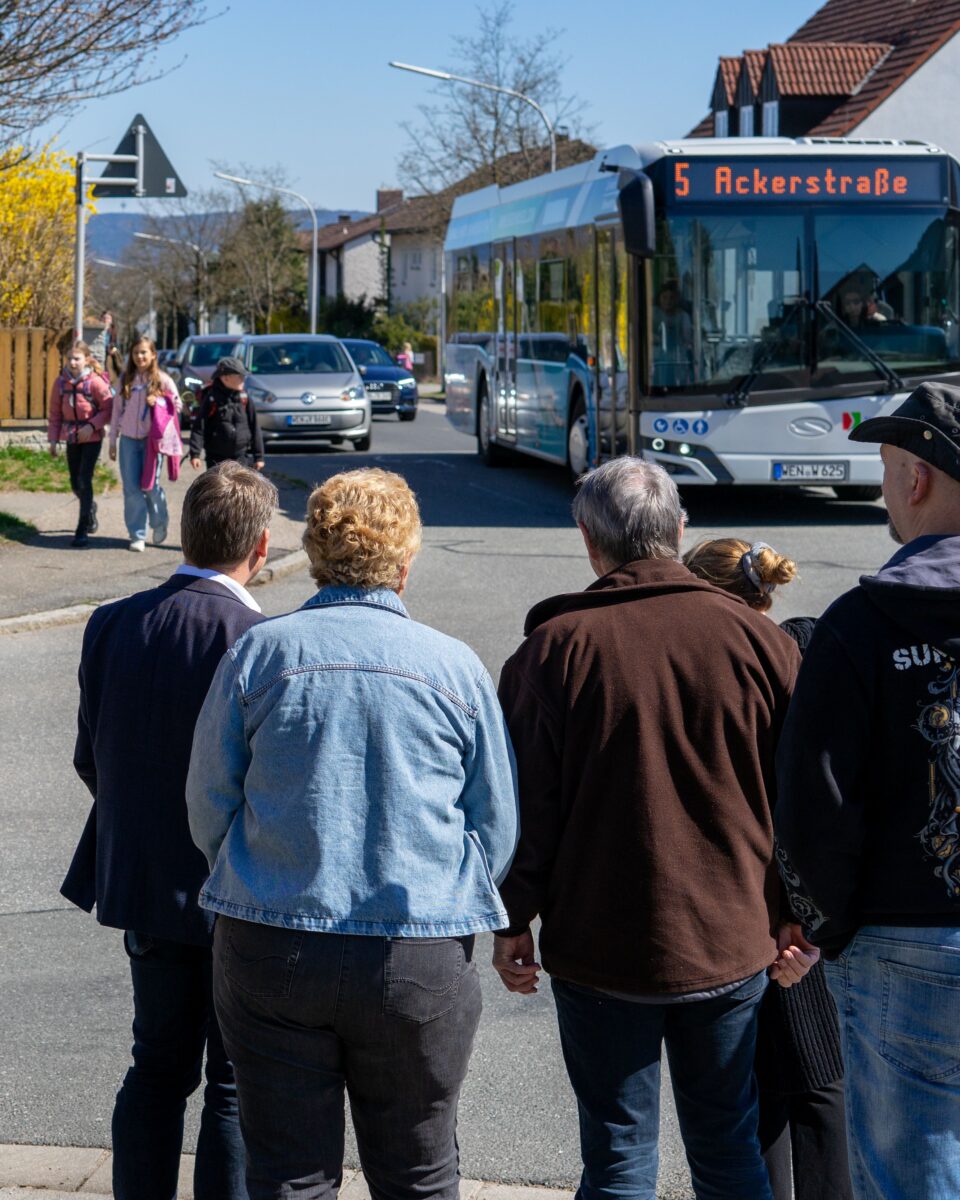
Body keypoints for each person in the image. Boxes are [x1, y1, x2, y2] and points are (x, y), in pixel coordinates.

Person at [186, 467, 519, 1200]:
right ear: (405, 563)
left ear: (311, 553)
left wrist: (255, 869)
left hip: (273, 938)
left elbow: (208, 801)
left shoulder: (260, 654)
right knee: (420, 1172)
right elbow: (495, 827)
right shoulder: (455, 668)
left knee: (288, 1174)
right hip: (418, 947)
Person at [493, 457, 815, 1200]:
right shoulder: (761, 643)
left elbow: (526, 812)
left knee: (616, 1160)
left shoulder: (554, 649)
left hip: (600, 948)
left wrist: (512, 920)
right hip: (732, 942)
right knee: (729, 1147)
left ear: (587, 538)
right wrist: (801, 914)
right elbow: (800, 801)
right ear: (678, 530)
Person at [60, 461, 278, 1200]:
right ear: (263, 546)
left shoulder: (114, 622)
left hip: (144, 883)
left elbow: (93, 757)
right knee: (230, 1082)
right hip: (234, 890)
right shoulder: (259, 639)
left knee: (155, 1067)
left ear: (185, 534)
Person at [775, 381, 960, 1200]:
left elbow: (815, 802)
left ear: (915, 478)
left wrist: (829, 929)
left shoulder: (861, 623)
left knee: (911, 1170)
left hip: (904, 937)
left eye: (888, 468)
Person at [684, 538, 851, 1200]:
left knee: (784, 1088)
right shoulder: (797, 652)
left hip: (760, 914)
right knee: (813, 1083)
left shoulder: (723, 670)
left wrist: (796, 924)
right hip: (799, 917)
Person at [110, 336, 181, 552]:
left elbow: (177, 406)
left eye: (144, 352)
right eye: (135, 353)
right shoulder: (125, 380)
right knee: (131, 489)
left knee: (150, 487)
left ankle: (159, 522)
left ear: (153, 355)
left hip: (153, 443)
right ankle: (137, 535)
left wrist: (159, 400)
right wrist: (113, 440)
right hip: (129, 440)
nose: (139, 357)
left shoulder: (163, 380)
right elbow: (116, 412)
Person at [47, 341, 113, 547]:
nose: (73, 362)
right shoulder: (60, 384)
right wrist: (53, 439)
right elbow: (55, 414)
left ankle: (82, 528)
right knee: (75, 482)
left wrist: (92, 426)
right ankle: (90, 507)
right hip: (71, 436)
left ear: (86, 359)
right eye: (70, 358)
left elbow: (108, 409)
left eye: (77, 358)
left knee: (85, 479)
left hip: (91, 438)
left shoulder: (94, 382)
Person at [189, 356, 265, 472]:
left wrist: (259, 457)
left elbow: (254, 427)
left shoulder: (244, 398)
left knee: (239, 488)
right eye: (239, 376)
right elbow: (199, 427)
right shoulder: (212, 398)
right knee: (218, 488)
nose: (243, 379)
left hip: (240, 456)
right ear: (225, 378)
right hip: (216, 457)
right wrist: (195, 454)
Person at [652, 279, 693, 387]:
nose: (668, 301)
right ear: (659, 298)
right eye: (664, 297)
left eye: (672, 298)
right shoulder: (653, 313)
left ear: (677, 299)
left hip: (678, 360)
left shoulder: (683, 316)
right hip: (657, 361)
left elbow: (687, 338)